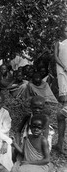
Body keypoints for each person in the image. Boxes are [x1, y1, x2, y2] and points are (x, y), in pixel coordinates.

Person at [53, 26, 67, 154]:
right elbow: (56, 57)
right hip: (62, 70)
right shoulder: (59, 43)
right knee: (63, 98)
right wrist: (64, 66)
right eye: (65, 30)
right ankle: (60, 144)